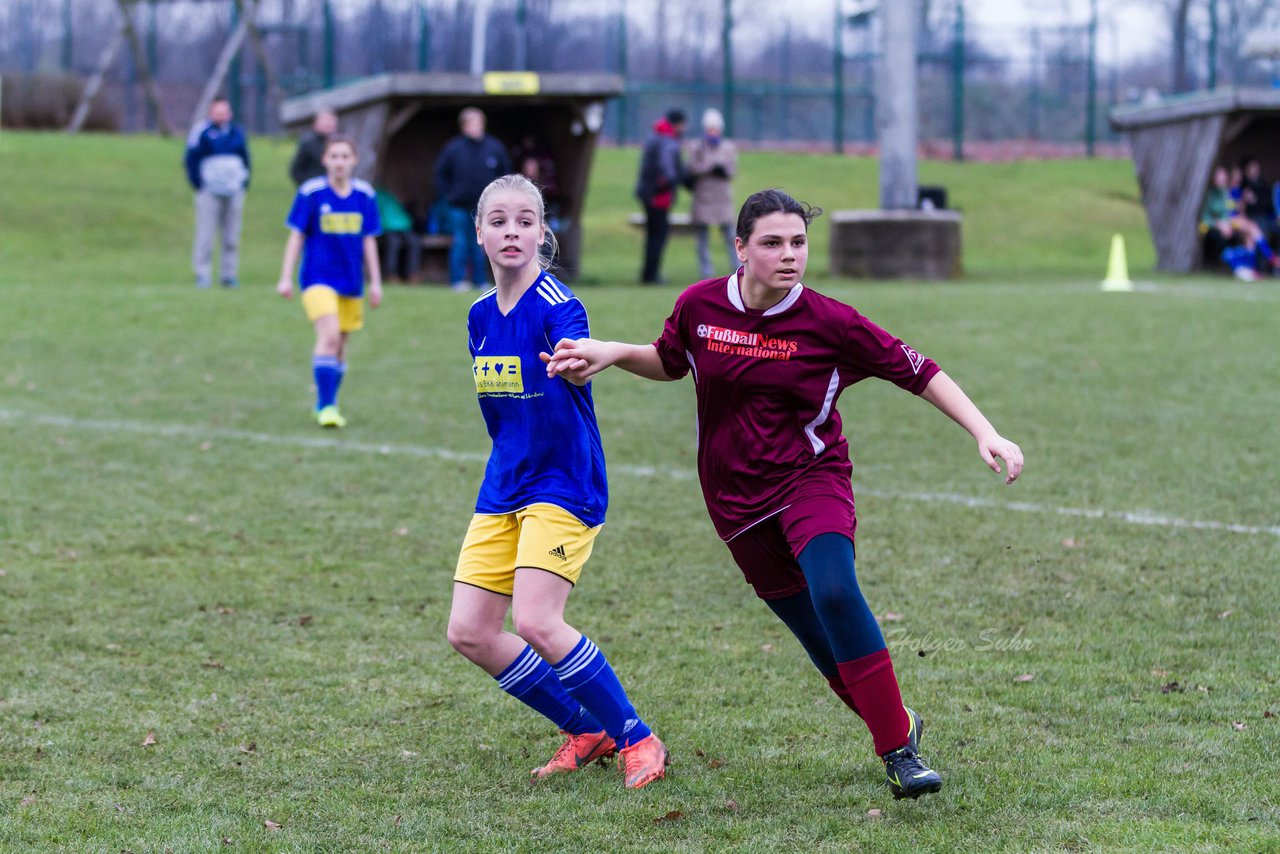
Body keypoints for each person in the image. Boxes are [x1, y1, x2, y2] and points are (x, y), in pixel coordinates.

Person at [546, 188, 1024, 801]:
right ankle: (897, 722)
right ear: (740, 248)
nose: (789, 254)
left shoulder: (832, 322)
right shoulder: (699, 305)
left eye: (798, 242)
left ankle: (899, 753)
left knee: (834, 591)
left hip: (811, 480)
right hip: (734, 501)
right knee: (821, 643)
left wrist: (986, 432)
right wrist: (612, 353)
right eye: (772, 243)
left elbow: (918, 369)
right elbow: (670, 361)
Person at [446, 174, 668, 790]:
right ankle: (585, 728)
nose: (511, 231)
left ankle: (638, 738)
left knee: (539, 622)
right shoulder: (478, 316)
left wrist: (574, 360)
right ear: (481, 233)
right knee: (470, 631)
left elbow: (572, 349)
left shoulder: (558, 305)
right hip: (504, 484)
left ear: (543, 232)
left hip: (564, 483)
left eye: (525, 221)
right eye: (499, 221)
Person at [275, 135, 383, 428]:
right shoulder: (311, 192)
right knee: (330, 336)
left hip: (351, 282)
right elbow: (296, 235)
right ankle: (326, 406)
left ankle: (328, 401)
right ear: (325, 160)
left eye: (344, 156)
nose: (339, 162)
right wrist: (285, 277)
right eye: (333, 156)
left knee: (341, 346)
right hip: (317, 279)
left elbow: (369, 241)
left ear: (354, 161)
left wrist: (375, 282)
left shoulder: (365, 195)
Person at [433, 107, 512, 291]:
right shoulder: (453, 149)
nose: (474, 127)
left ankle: (481, 281)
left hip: (486, 209)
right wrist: (448, 194)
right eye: (470, 124)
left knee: (482, 245)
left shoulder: (494, 148)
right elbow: (439, 174)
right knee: (460, 242)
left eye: (477, 123)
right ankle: (457, 281)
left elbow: (506, 174)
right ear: (463, 126)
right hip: (458, 207)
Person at [184, 97, 250, 288]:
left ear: (229, 113)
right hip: (209, 192)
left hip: (234, 191)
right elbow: (190, 159)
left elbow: (246, 159)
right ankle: (202, 274)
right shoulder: (202, 132)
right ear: (211, 113)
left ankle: (228, 275)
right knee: (206, 235)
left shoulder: (237, 132)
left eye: (224, 112)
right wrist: (199, 184)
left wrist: (243, 183)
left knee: (232, 237)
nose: (221, 115)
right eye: (217, 112)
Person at [684, 108, 738, 279]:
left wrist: (723, 170)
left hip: (722, 198)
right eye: (710, 129)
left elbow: (733, 170)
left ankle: (738, 270)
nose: (713, 132)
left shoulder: (728, 147)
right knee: (702, 240)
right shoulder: (697, 147)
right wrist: (708, 168)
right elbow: (692, 168)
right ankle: (706, 274)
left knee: (731, 237)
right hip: (703, 198)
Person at [634, 109, 687, 284]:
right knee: (659, 235)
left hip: (648, 193)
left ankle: (647, 273)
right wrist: (677, 179)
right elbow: (667, 167)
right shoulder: (667, 140)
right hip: (659, 195)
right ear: (677, 123)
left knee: (651, 235)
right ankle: (652, 275)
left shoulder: (654, 136)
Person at [1200, 164, 1274, 280]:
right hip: (1220, 225)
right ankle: (1270, 256)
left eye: (1223, 176)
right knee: (1251, 228)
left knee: (1251, 234)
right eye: (1219, 176)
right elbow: (1207, 218)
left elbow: (1234, 211)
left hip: (1230, 224)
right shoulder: (1212, 195)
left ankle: (1250, 268)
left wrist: (1243, 202)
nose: (1221, 179)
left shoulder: (1227, 192)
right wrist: (1220, 224)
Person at [375, 186, 421, 283]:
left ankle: (411, 274)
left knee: (414, 241)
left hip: (403, 227)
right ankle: (391, 274)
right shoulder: (373, 197)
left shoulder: (390, 198)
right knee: (394, 242)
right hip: (386, 229)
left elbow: (402, 216)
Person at [289, 109, 338, 187]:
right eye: (325, 121)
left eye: (331, 121)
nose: (328, 124)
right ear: (316, 124)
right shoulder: (308, 143)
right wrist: (308, 185)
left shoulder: (338, 144)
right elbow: (296, 170)